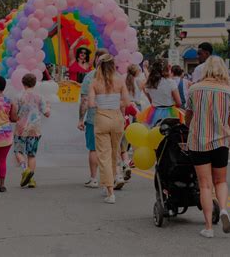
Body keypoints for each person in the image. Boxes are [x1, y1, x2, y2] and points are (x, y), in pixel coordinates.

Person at [185, 56, 230, 238]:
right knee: (220, 181)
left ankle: (208, 227)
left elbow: (188, 116)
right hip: (221, 142)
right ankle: (223, 209)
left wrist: (190, 124)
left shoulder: (194, 89)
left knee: (205, 185)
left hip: (199, 141)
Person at [88, 54, 129, 204]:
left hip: (101, 118)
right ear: (113, 66)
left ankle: (110, 191)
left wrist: (101, 104)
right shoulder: (119, 81)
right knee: (114, 153)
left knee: (103, 155)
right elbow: (127, 101)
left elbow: (91, 103)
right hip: (117, 119)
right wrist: (115, 103)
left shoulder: (94, 82)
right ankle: (109, 183)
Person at [78, 49, 109, 188]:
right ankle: (112, 177)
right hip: (112, 117)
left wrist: (80, 119)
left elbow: (85, 101)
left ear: (97, 60)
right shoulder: (116, 77)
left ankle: (94, 178)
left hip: (94, 118)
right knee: (109, 149)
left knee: (93, 149)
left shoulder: (90, 77)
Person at [14, 73, 50, 189]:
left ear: (23, 83)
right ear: (34, 84)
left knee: (18, 151)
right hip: (35, 129)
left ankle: (25, 170)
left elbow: (14, 113)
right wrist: (48, 106)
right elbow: (47, 113)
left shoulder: (18, 96)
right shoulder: (39, 97)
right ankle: (32, 179)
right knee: (32, 154)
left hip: (21, 128)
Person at [137, 59, 183, 128]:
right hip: (170, 112)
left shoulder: (149, 83)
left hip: (154, 112)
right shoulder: (170, 82)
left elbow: (151, 101)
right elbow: (179, 103)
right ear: (166, 69)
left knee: (156, 133)